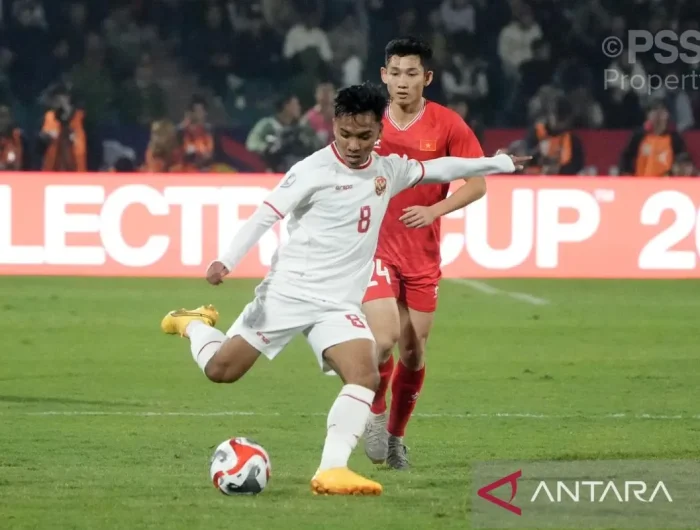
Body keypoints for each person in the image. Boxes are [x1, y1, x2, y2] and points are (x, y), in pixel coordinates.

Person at [160, 83, 524, 496]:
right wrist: (227, 259)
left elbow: (441, 168)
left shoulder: (388, 170)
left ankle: (332, 469)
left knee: (364, 375)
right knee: (221, 371)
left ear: (379, 132)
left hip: (338, 304)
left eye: (364, 136)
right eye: (345, 134)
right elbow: (266, 214)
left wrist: (498, 164)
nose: (353, 145)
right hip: (288, 294)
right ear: (334, 125)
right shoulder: (312, 170)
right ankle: (193, 324)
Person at [362, 37, 487, 469]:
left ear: (427, 78)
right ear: (383, 75)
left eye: (411, 73)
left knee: (413, 351)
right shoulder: (368, 121)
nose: (402, 81)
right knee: (383, 340)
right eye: (395, 73)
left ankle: (395, 438)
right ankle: (375, 414)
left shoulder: (448, 124)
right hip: (375, 249)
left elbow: (477, 183)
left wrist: (435, 209)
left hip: (422, 254)